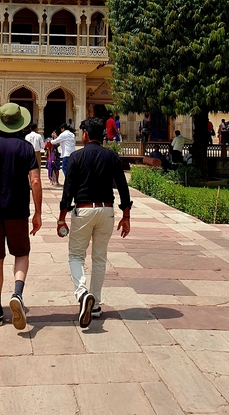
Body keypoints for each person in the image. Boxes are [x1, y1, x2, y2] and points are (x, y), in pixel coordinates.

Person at [0, 103, 42, 330]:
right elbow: (35, 181)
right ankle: (18, 294)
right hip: (18, 211)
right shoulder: (25, 148)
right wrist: (38, 213)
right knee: (21, 253)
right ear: (19, 123)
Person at [56, 117, 132, 328]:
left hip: (84, 209)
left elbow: (68, 191)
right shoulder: (112, 156)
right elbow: (123, 188)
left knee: (76, 255)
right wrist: (126, 216)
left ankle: (82, 294)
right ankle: (95, 303)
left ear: (86, 135)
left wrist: (61, 218)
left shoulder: (76, 157)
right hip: (106, 210)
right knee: (99, 258)